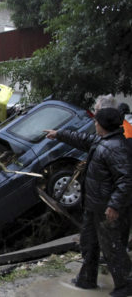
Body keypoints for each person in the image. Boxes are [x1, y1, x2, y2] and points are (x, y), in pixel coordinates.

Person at [44, 108, 132, 297]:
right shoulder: (103, 141)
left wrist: (114, 205)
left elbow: (126, 180)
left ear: (104, 125)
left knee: (112, 248)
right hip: (93, 206)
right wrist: (58, 134)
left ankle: (125, 285)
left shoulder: (116, 148)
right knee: (89, 243)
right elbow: (82, 139)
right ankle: (87, 279)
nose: (94, 123)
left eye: (96, 121)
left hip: (106, 208)